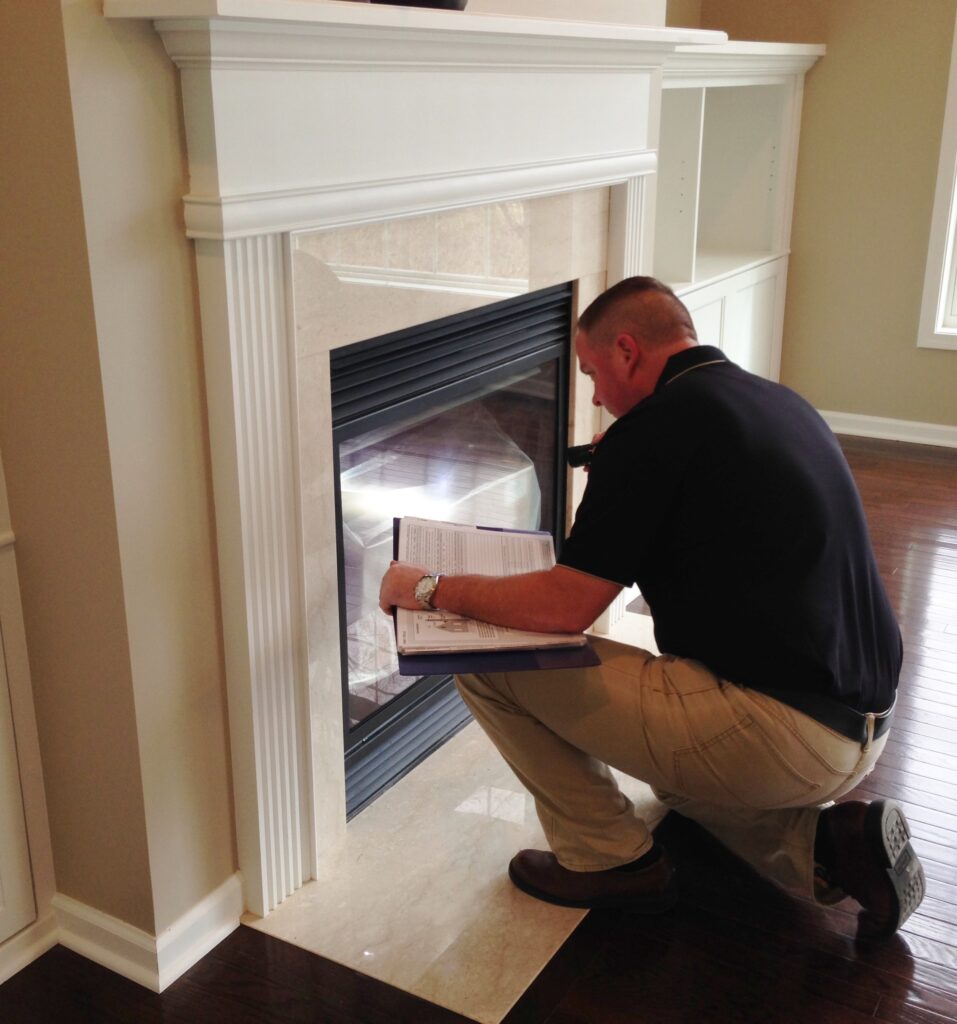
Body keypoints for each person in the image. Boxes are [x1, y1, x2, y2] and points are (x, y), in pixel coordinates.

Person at [378, 276, 925, 937]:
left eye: (591, 374)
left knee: (477, 653)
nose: (596, 398)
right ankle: (831, 846)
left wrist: (429, 587)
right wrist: (628, 480)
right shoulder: (773, 401)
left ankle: (609, 861)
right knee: (675, 786)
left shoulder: (655, 432)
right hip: (856, 721)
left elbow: (563, 607)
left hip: (782, 734)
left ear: (628, 351)